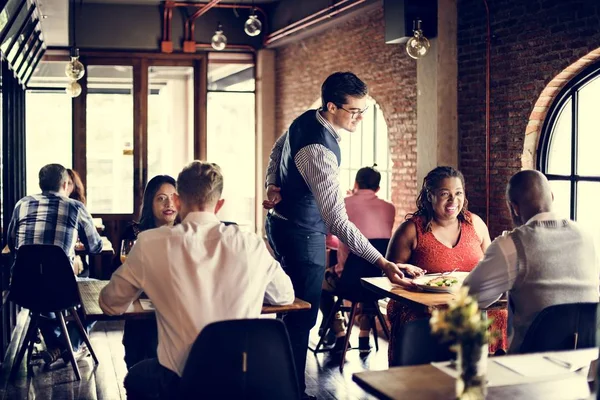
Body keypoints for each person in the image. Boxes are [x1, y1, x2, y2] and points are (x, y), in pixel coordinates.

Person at [263, 71, 422, 398]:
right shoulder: (319, 152)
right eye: (354, 111)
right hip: (302, 236)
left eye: (364, 110)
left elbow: (278, 149)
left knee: (291, 313)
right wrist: (382, 261)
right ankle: (292, 394)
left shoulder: (307, 119)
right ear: (332, 106)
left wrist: (271, 183)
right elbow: (337, 220)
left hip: (278, 223)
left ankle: (282, 388)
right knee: (300, 319)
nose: (361, 118)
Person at [99, 161, 294, 399]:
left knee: (136, 376)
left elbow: (110, 304)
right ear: (219, 204)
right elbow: (285, 295)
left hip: (183, 385)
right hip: (247, 378)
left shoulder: (150, 243)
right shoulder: (250, 243)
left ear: (179, 201)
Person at [464, 170, 600, 353]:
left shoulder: (511, 245)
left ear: (514, 208)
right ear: (551, 196)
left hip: (529, 368)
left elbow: (469, 296)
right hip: (584, 366)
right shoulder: (587, 237)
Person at [385, 166, 506, 365]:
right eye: (444, 194)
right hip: (422, 307)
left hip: (472, 302)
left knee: (500, 314)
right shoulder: (411, 230)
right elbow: (390, 273)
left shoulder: (475, 224)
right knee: (416, 319)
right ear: (429, 195)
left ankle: (492, 381)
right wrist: (402, 270)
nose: (453, 201)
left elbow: (492, 267)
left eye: (458, 193)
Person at [7, 163, 103, 366]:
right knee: (102, 292)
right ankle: (68, 345)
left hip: (22, 287)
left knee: (42, 298)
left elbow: (12, 242)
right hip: (61, 289)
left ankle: (57, 346)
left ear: (40, 184)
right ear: (66, 183)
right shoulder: (75, 207)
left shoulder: (21, 204)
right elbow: (95, 247)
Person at [320, 165, 396, 354]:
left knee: (319, 285)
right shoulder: (389, 208)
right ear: (378, 188)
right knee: (369, 277)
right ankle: (364, 336)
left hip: (348, 282)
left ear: (355, 183)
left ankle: (339, 334)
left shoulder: (343, 204)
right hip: (379, 281)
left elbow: (329, 238)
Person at [120, 175, 177, 370]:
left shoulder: (188, 233)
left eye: (173, 197)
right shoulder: (135, 233)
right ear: (150, 202)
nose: (169, 203)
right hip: (140, 313)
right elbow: (118, 273)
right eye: (161, 198)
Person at [66, 169, 88, 276]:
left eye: (69, 183)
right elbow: (95, 246)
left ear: (75, 186)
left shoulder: (77, 207)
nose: (65, 187)